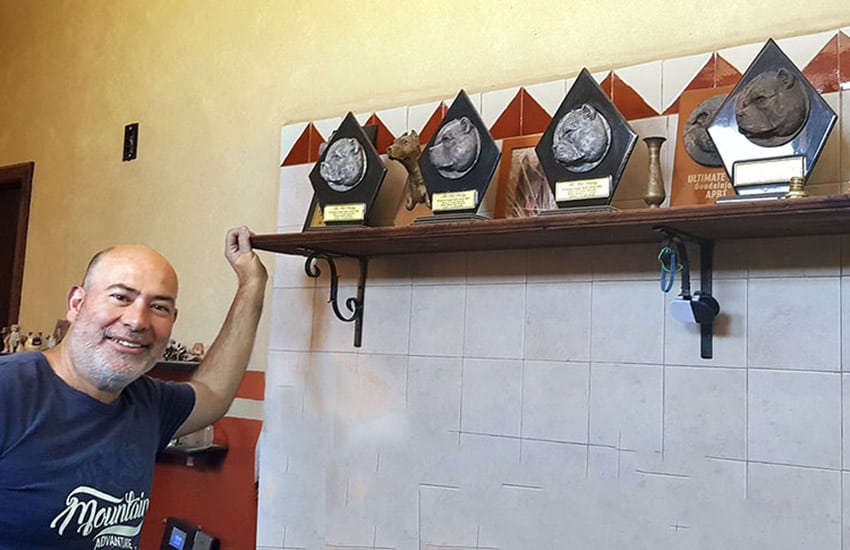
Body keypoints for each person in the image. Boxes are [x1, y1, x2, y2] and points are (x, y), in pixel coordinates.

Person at [0, 226, 267, 549]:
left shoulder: (148, 403)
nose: (137, 320)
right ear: (76, 303)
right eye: (120, 297)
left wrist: (251, 284)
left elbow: (213, 391)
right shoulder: (10, 391)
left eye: (159, 307)